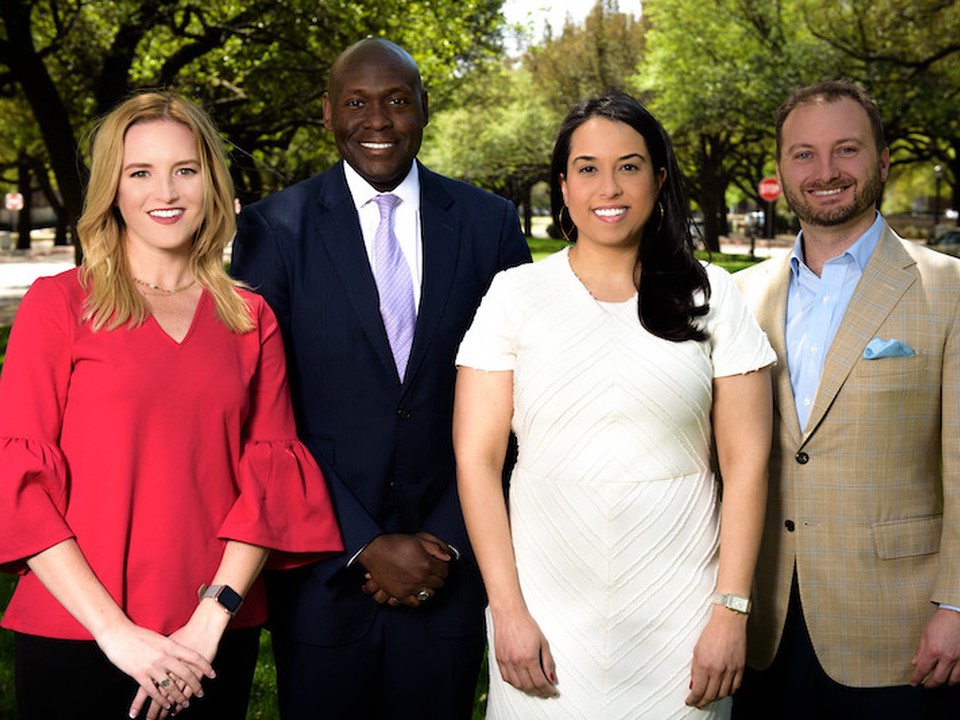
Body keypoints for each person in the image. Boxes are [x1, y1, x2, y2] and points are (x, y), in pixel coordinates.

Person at [0, 91, 343, 720]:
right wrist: (117, 633)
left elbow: (268, 484)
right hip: (81, 634)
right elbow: (20, 488)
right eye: (140, 172)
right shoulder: (59, 307)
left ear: (210, 183)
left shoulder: (250, 318)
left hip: (208, 638)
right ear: (113, 189)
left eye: (185, 170)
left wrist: (210, 620)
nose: (167, 190)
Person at [230, 38, 531, 719]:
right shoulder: (273, 229)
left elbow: (521, 399)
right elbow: (260, 410)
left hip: (451, 565)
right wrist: (362, 542)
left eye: (397, 101)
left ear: (423, 107)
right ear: (328, 115)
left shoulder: (488, 225)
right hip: (323, 576)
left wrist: (448, 538)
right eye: (357, 104)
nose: (378, 121)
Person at [453, 92, 775, 719]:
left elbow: (748, 466)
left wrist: (730, 612)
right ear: (564, 185)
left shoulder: (714, 294)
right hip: (544, 611)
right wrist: (508, 612)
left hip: (682, 611)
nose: (610, 186)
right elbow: (476, 460)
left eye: (629, 166)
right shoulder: (513, 295)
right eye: (588, 167)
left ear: (658, 179)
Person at [732, 80, 960, 718]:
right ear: (780, 167)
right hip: (761, 623)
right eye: (803, 154)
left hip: (901, 628)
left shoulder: (949, 290)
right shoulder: (736, 297)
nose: (825, 172)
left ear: (884, 159)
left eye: (847, 150)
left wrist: (958, 606)